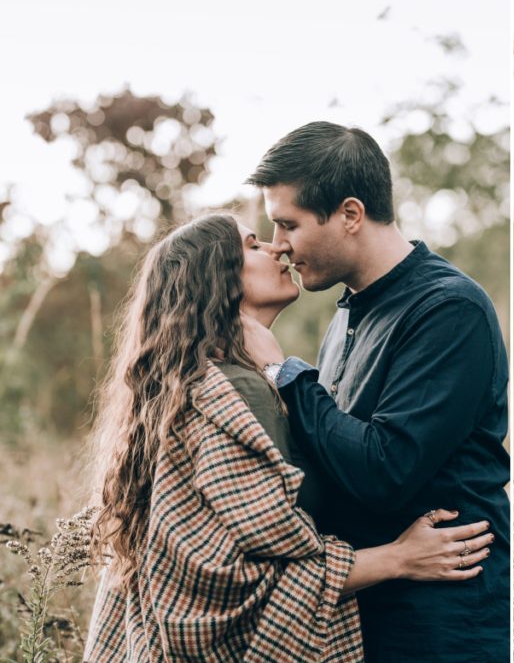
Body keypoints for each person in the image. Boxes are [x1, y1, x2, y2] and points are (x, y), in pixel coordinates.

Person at [84, 214, 493, 662]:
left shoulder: (205, 384)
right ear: (219, 279)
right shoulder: (237, 392)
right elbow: (252, 573)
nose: (277, 248)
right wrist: (398, 558)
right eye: (254, 245)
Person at [241, 122, 510, 662]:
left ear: (349, 214)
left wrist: (286, 374)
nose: (280, 246)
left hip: (445, 621)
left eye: (287, 224)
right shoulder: (347, 315)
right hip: (371, 614)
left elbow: (385, 469)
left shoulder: (447, 309)